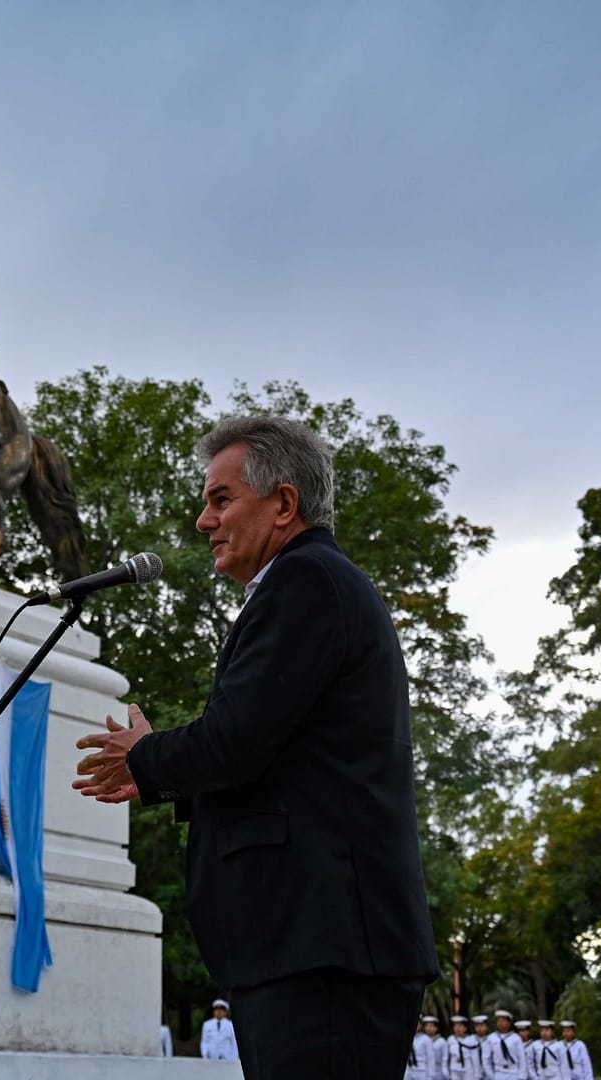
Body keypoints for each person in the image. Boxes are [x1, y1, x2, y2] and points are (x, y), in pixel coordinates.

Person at [72, 416, 439, 1079]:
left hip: (322, 945)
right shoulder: (311, 584)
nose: (203, 522)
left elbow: (236, 741)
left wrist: (147, 758)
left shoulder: (306, 582)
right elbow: (274, 757)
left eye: (221, 499)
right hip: (313, 942)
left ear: (284, 504)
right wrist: (158, 772)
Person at [488, 1010, 527, 1079]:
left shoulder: (516, 1038)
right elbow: (486, 1058)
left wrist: (521, 1076)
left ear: (509, 1023)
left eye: (503, 1021)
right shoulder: (491, 1038)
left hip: (513, 1072)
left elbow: (522, 1058)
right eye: (498, 1021)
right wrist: (491, 1075)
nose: (500, 1023)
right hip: (498, 1072)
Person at [447, 1016, 482, 1080]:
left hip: (467, 1070)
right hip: (454, 1069)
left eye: (460, 1026)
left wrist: (477, 1075)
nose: (457, 1028)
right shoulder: (450, 1039)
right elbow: (449, 1057)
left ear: (465, 1028)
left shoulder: (471, 1040)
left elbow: (475, 1059)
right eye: (455, 1026)